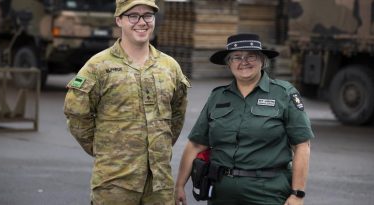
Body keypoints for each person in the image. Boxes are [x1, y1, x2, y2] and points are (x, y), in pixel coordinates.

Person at [63, 0, 190, 204]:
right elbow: (77, 115)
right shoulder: (98, 66)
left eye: (148, 15)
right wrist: (104, 149)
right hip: (115, 183)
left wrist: (159, 147)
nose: (142, 22)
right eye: (133, 16)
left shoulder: (169, 67)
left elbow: (177, 115)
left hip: (159, 184)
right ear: (119, 20)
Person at [175, 33, 314, 205]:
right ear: (229, 63)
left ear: (262, 61)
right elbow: (196, 144)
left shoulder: (283, 93)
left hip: (267, 192)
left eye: (251, 56)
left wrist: (297, 194)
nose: (244, 62)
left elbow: (302, 145)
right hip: (222, 193)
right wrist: (180, 185)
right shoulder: (218, 97)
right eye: (236, 57)